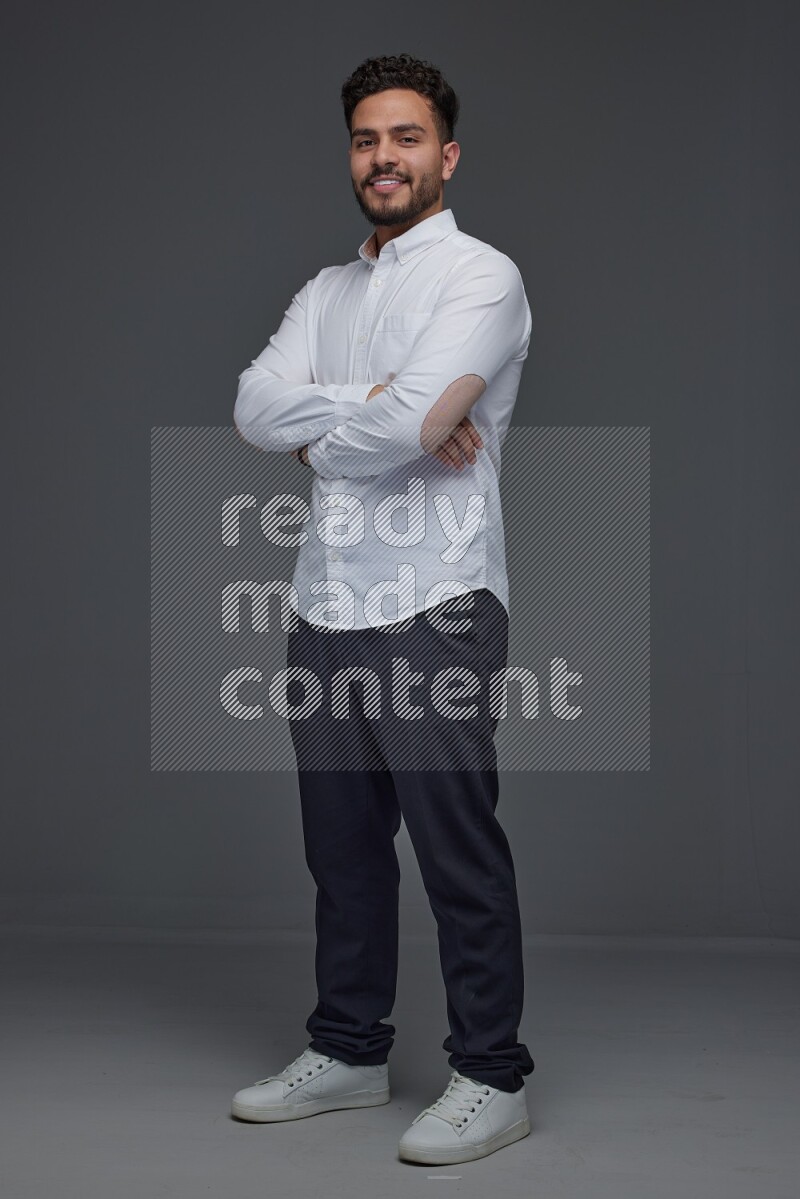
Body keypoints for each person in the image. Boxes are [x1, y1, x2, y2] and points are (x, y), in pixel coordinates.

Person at [230, 52, 534, 1165]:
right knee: (342, 851)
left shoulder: (480, 279)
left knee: (457, 850)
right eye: (365, 138)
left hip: (433, 601)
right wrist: (375, 406)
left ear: (444, 155)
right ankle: (349, 1049)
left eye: (405, 137)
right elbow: (253, 406)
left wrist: (345, 424)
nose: (383, 157)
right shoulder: (325, 292)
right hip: (324, 601)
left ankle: (490, 1072)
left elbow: (414, 425)